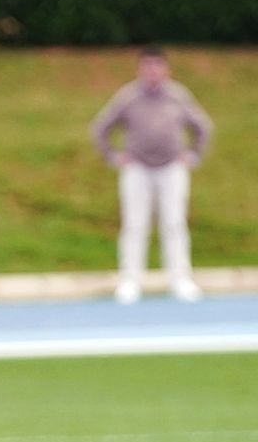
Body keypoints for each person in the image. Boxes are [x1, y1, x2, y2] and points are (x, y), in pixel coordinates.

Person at [90, 47, 214, 304]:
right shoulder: (129, 97)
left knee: (174, 223)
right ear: (140, 69)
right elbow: (101, 127)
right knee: (135, 225)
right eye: (147, 66)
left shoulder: (178, 96)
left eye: (157, 66)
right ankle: (130, 281)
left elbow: (202, 126)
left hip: (172, 167)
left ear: (166, 69)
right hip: (137, 168)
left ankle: (180, 279)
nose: (153, 71)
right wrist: (113, 156)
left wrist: (193, 155)